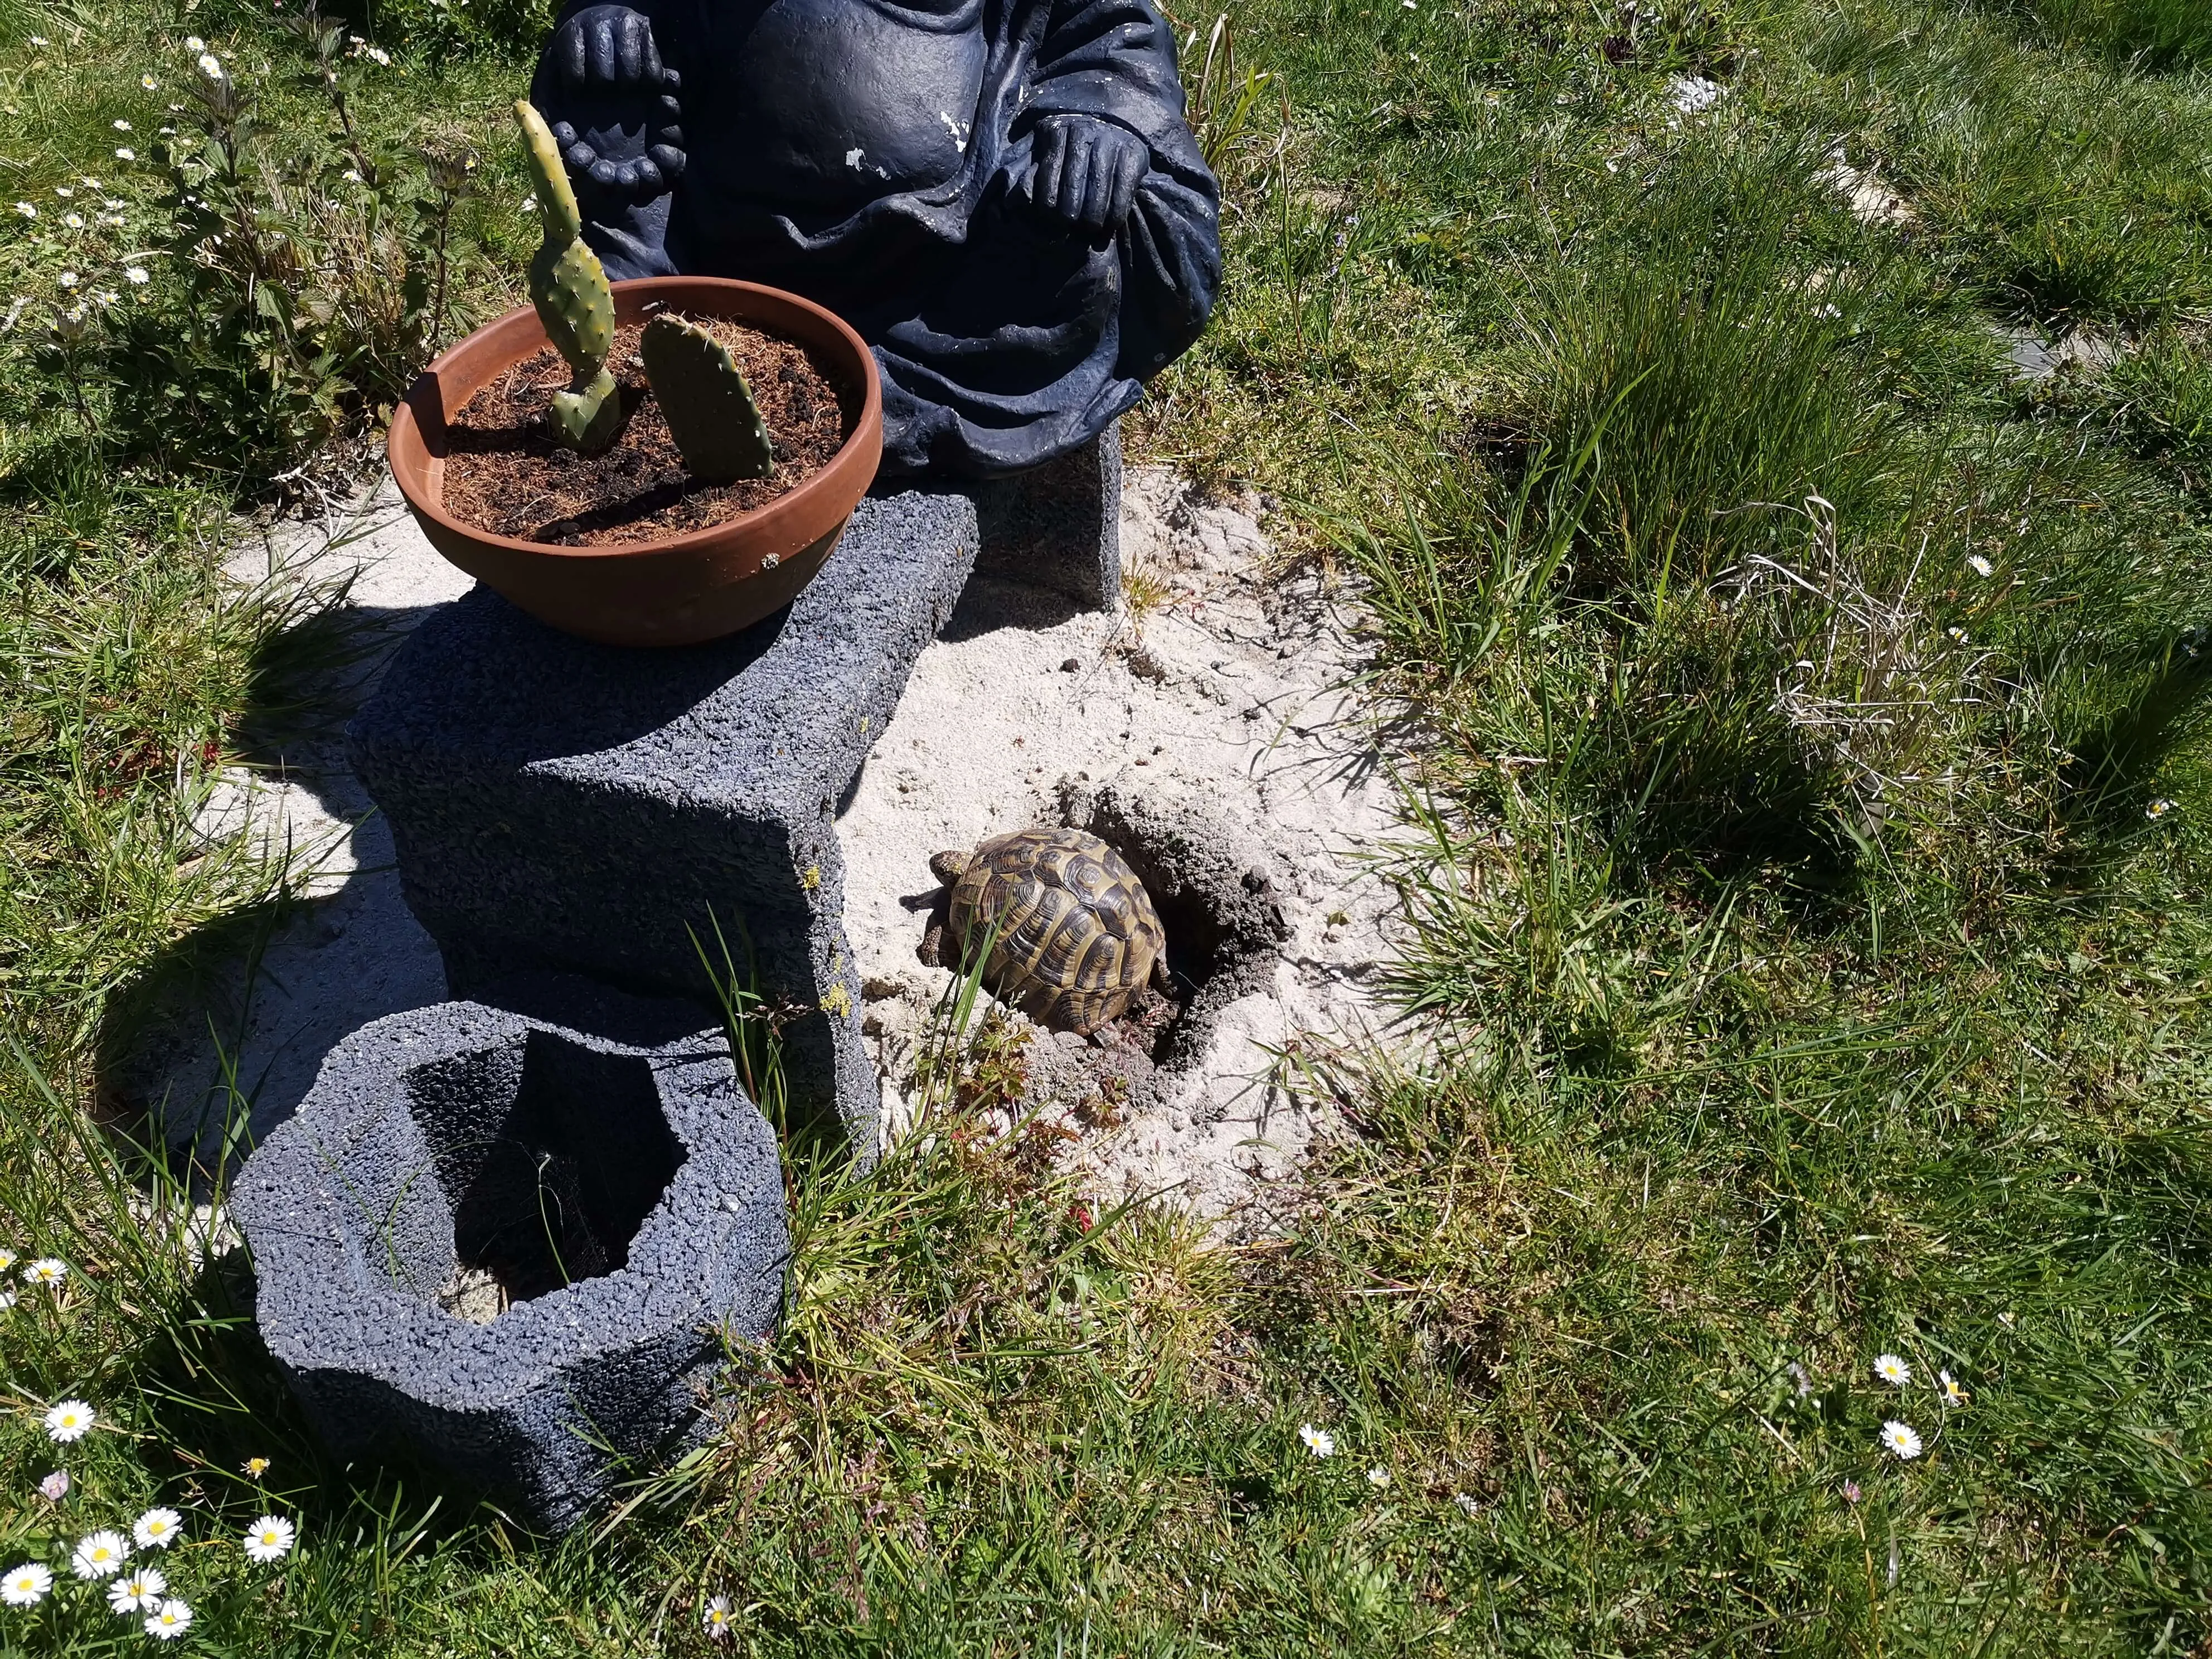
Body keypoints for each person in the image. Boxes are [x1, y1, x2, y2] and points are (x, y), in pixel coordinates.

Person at [530, 0, 1222, 477]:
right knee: (602, 109)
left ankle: (864, 398)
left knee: (1091, 240)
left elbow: (1110, 28)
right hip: (714, 239)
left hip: (948, 260)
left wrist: (1096, 113)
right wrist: (607, 19)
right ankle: (655, 342)